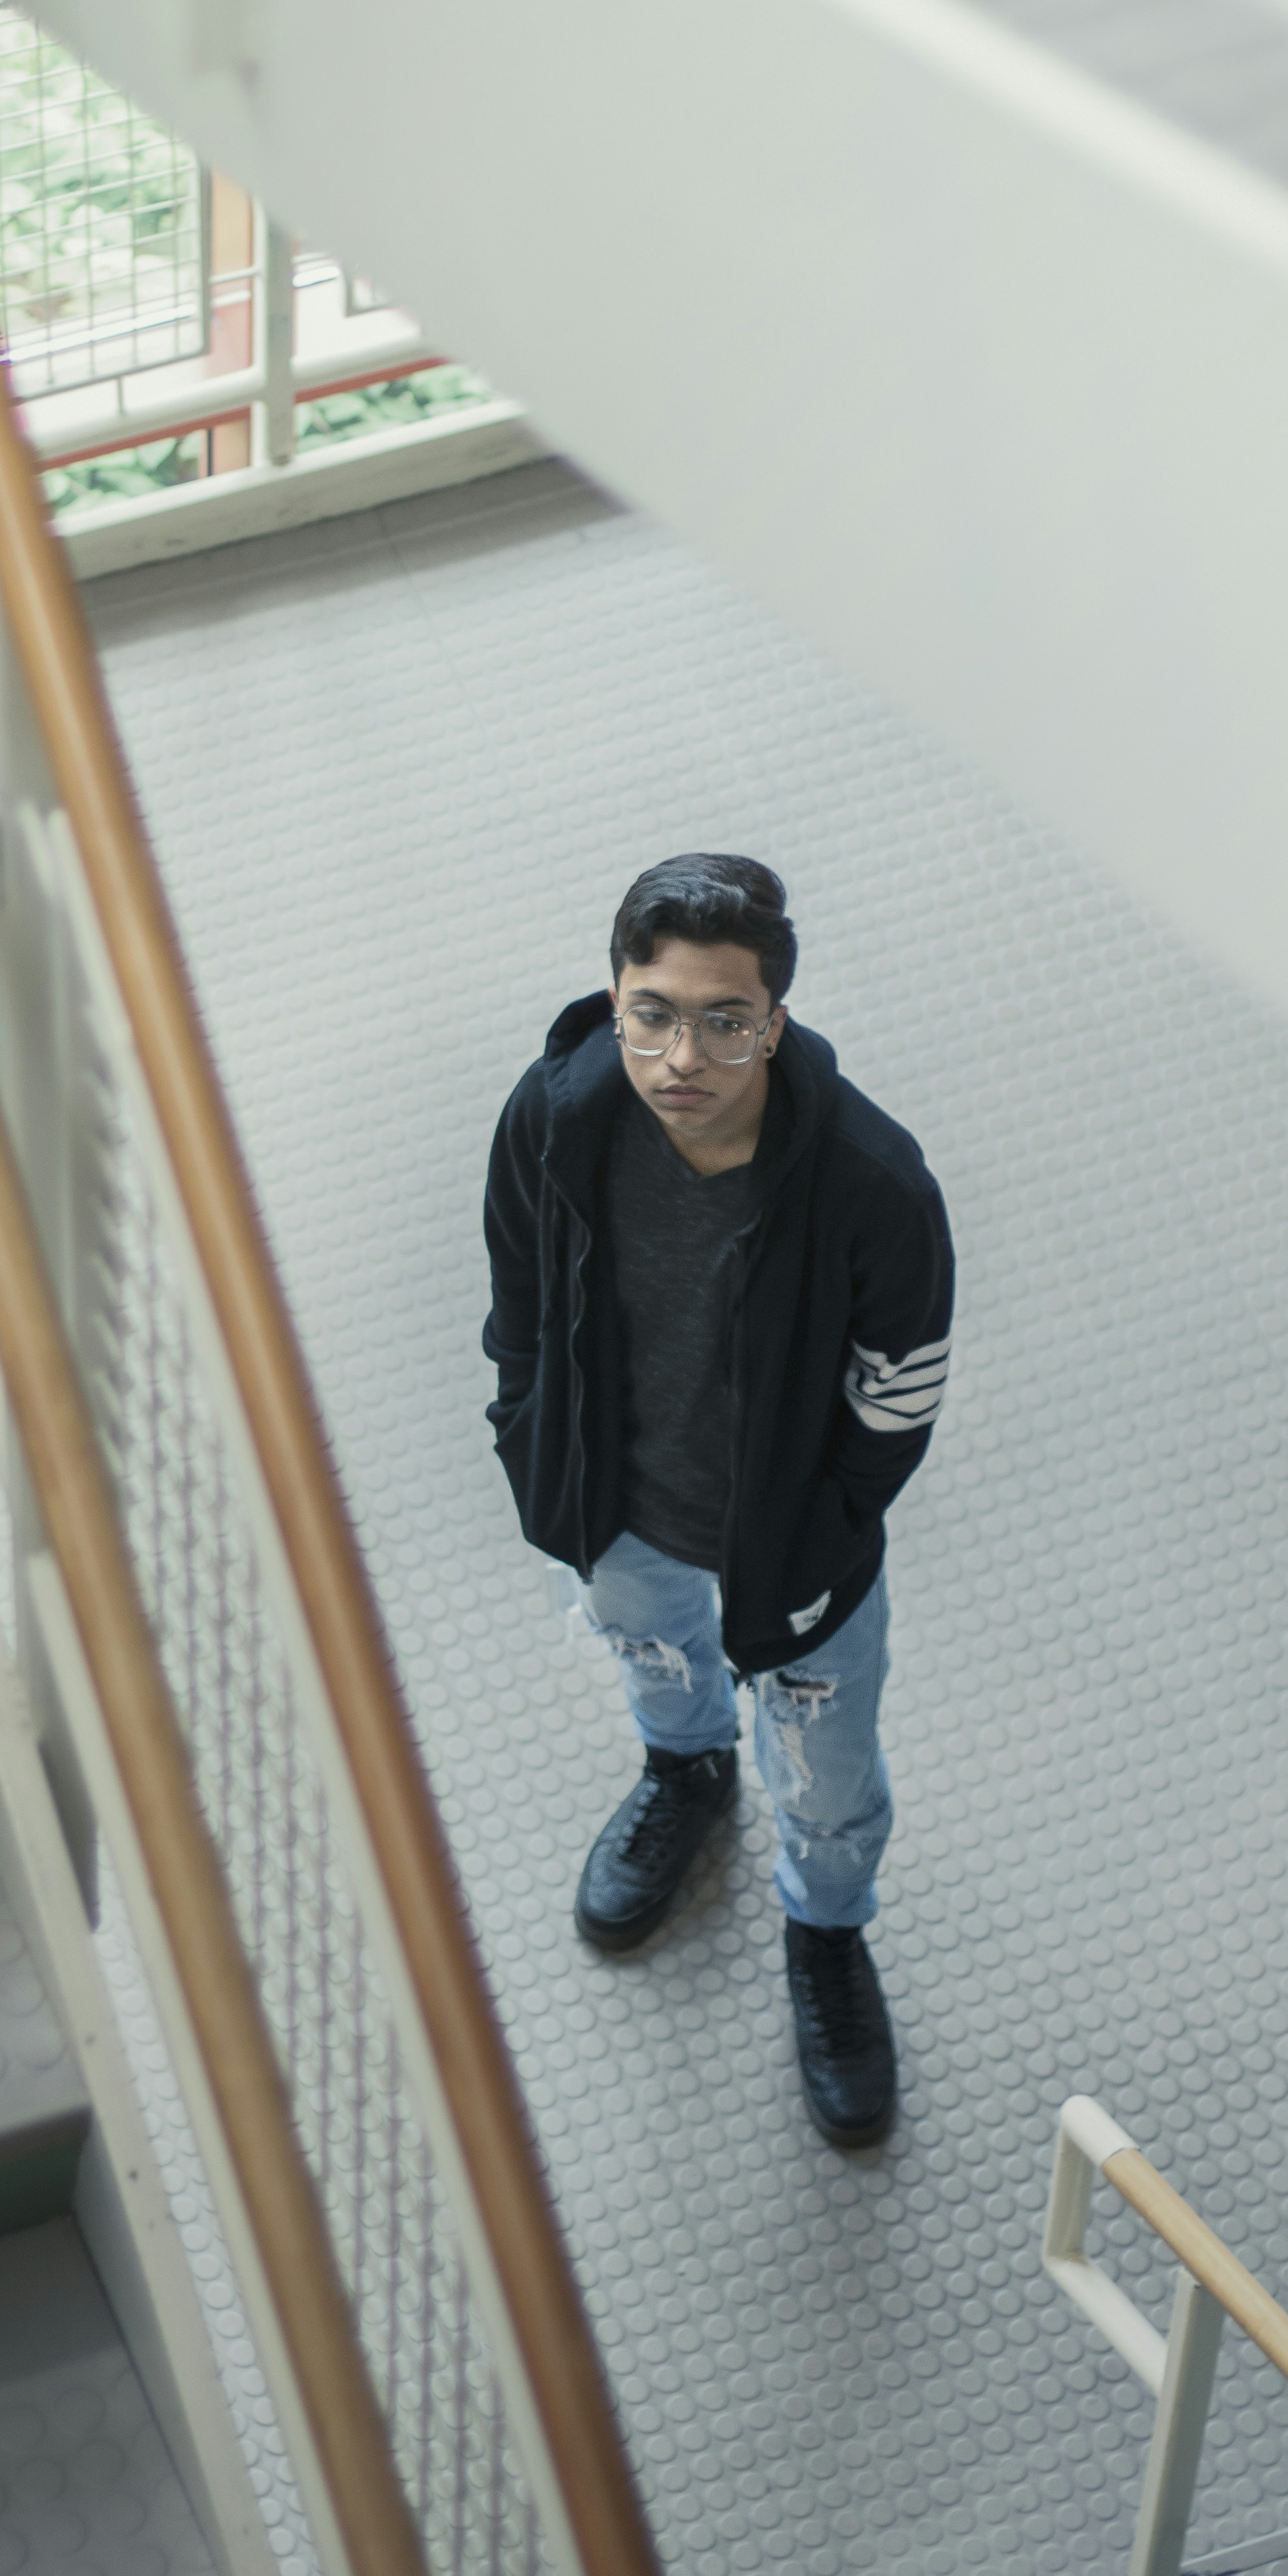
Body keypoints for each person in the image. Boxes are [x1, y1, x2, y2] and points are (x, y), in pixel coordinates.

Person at [482, 854, 954, 2147]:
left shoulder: (873, 1187)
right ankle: (684, 1768)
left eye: (723, 1020)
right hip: (616, 1503)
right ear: (617, 996)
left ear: (774, 1020)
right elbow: (518, 1304)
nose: (679, 1054)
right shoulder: (552, 1118)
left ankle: (824, 1933)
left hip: (790, 1550)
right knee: (652, 1650)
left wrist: (824, 1531)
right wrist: (534, 1445)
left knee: (824, 1773)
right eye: (650, 1012)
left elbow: (897, 1396)